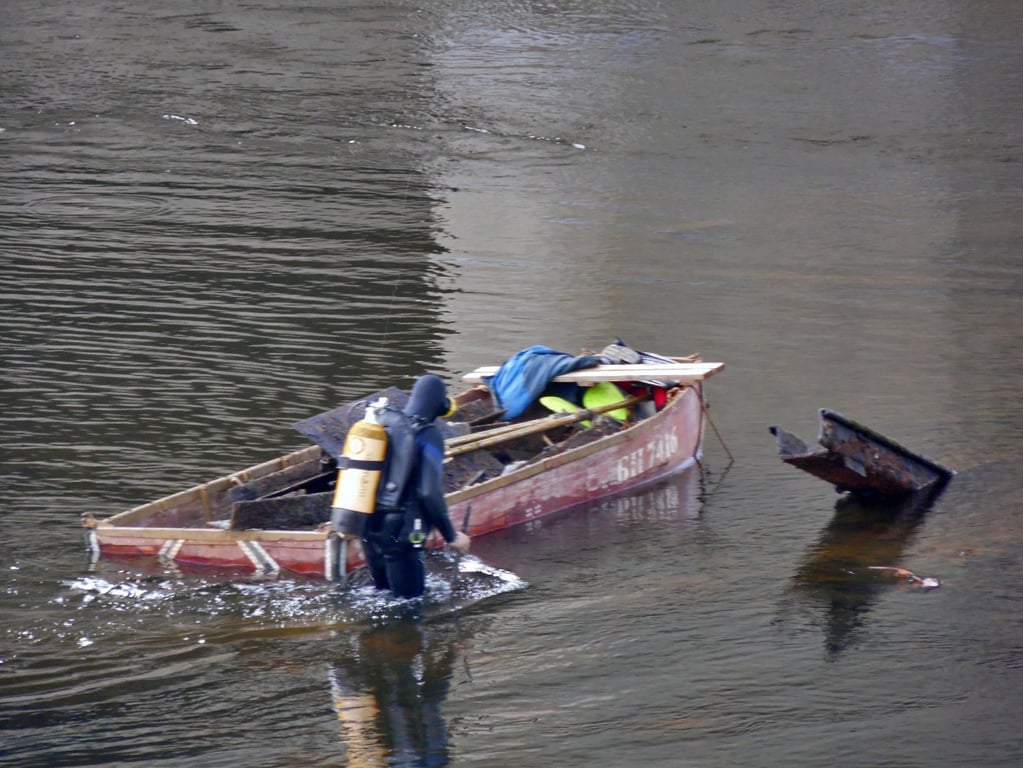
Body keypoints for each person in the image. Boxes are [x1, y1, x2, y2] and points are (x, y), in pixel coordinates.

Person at [362, 374, 470, 598]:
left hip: (368, 526)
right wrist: (451, 536)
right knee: (409, 607)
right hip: (402, 530)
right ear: (440, 405)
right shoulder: (428, 434)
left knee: (381, 598)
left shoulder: (385, 425)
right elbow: (428, 491)